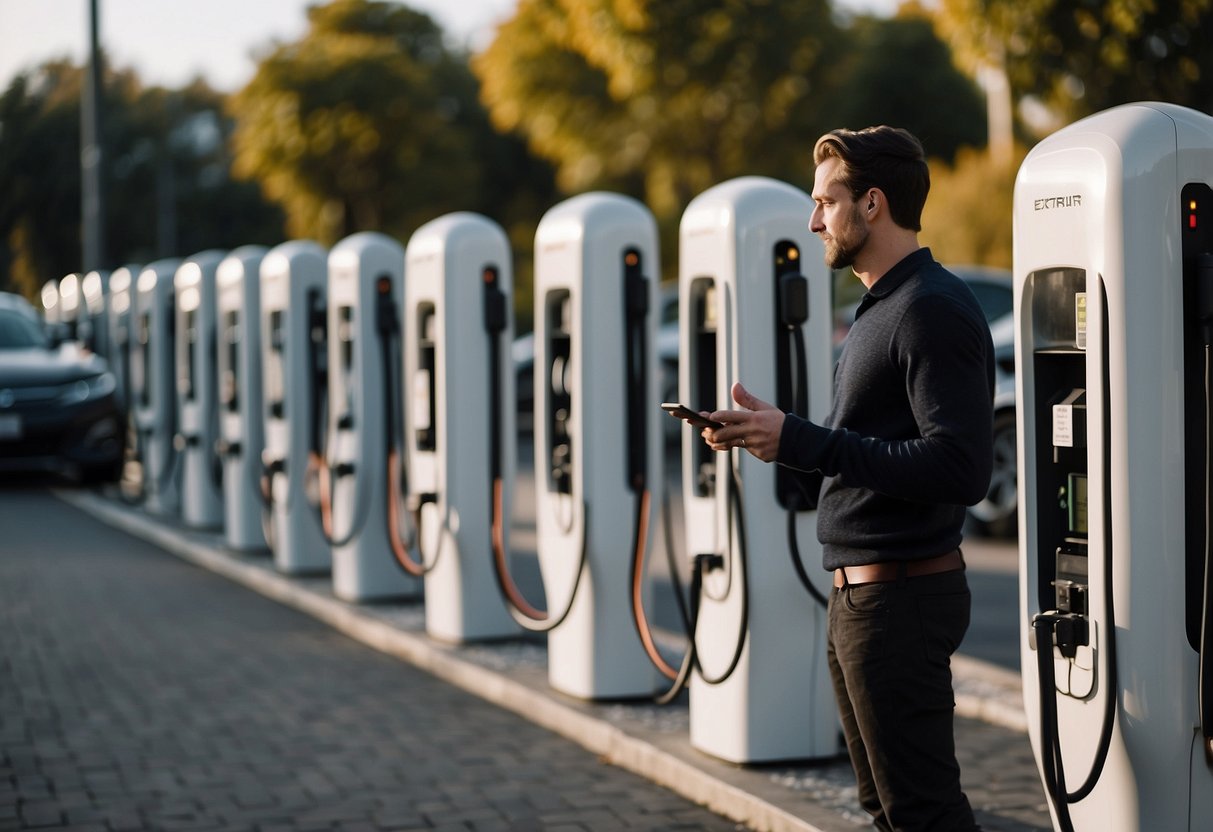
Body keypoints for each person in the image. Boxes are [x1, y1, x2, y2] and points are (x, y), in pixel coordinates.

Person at [700, 126, 993, 831]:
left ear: (870, 204)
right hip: (862, 600)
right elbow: (866, 448)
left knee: (922, 811)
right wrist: (780, 443)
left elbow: (960, 467)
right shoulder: (877, 308)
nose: (811, 220)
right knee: (885, 808)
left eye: (823, 202)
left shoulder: (928, 308)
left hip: (899, 598)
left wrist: (801, 437)